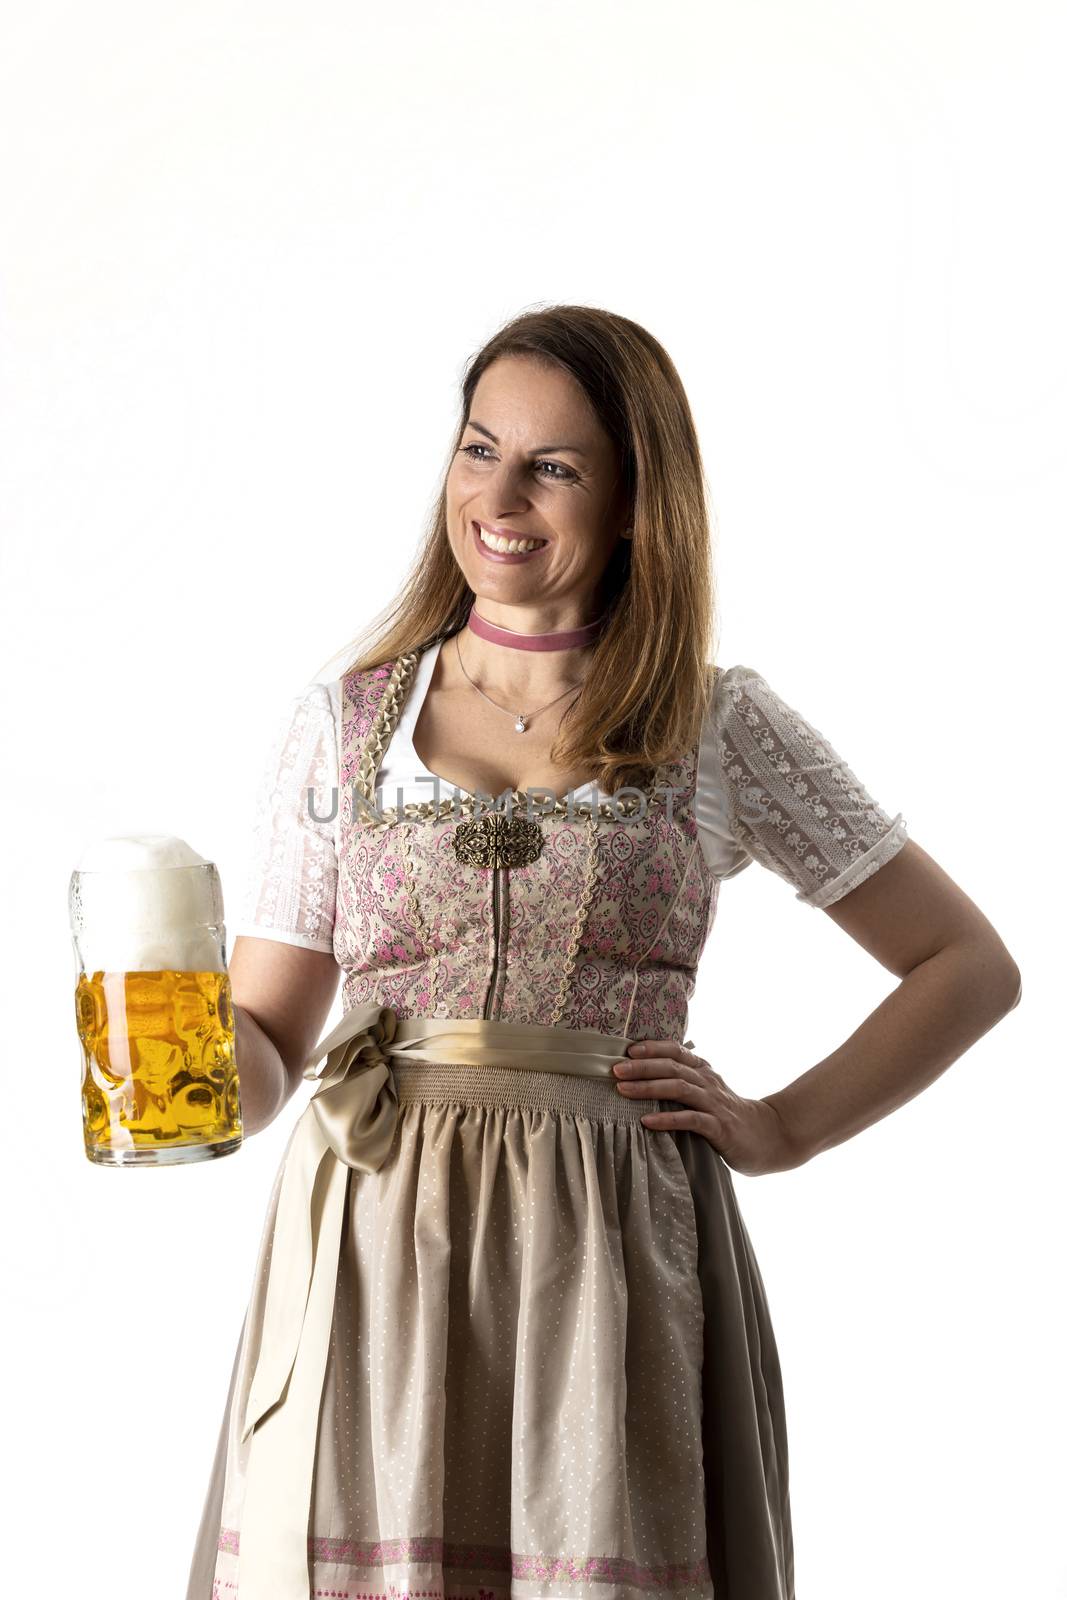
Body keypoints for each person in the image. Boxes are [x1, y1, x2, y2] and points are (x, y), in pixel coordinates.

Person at [186, 306, 1021, 1600]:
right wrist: (152, 1045)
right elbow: (266, 1052)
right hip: (379, 1242)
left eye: (555, 466)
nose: (499, 495)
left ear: (637, 502)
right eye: (479, 449)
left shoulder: (717, 720)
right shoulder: (344, 724)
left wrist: (784, 1127)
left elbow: (967, 965)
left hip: (611, 1241)